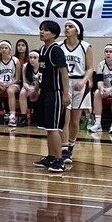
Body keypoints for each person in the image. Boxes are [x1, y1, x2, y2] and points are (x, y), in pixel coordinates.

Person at [34, 21, 69, 173]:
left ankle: (59, 160)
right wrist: (36, 89)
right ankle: (51, 157)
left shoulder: (56, 50)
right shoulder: (42, 50)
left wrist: (65, 94)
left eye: (46, 30)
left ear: (54, 34)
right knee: (48, 127)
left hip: (55, 93)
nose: (42, 32)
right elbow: (41, 74)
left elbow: (64, 73)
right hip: (45, 93)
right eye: (41, 29)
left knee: (54, 127)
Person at [60, 20, 91, 164]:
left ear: (77, 31)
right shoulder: (59, 46)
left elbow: (90, 68)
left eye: (70, 26)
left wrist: (83, 82)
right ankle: (64, 149)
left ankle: (71, 144)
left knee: (74, 120)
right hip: (65, 83)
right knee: (65, 118)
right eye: (65, 26)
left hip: (79, 83)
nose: (66, 28)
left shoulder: (86, 47)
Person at [90, 44, 112, 134]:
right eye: (106, 52)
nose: (108, 54)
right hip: (107, 88)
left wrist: (110, 90)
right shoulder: (101, 65)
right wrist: (102, 88)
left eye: (110, 52)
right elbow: (99, 82)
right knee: (97, 92)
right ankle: (98, 124)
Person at [0, 41, 21, 127]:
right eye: (2, 48)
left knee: (10, 91)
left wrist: (8, 84)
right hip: (0, 83)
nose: (4, 50)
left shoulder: (15, 61)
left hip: (12, 83)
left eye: (6, 48)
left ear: (9, 50)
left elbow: (17, 78)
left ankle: (12, 116)